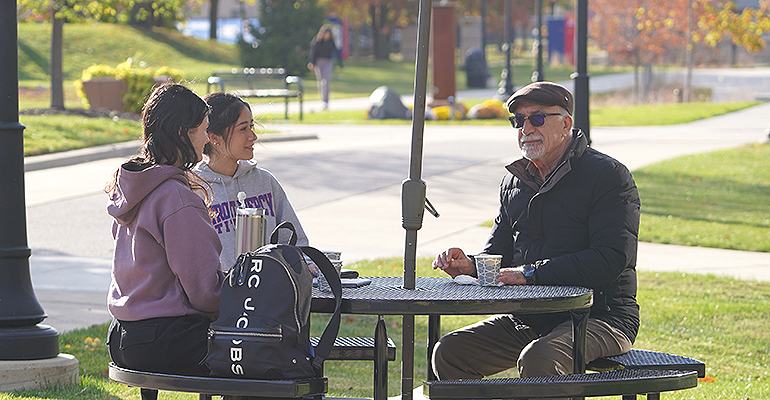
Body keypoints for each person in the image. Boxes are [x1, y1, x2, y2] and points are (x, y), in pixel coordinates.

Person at [431, 81, 641, 387]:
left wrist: (530, 274)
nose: (525, 128)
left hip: (600, 317)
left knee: (539, 358)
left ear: (566, 123)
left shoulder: (607, 176)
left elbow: (610, 259)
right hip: (530, 317)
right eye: (518, 120)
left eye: (537, 118)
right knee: (449, 352)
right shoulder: (513, 183)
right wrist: (470, 265)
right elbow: (499, 256)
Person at [106, 83, 225, 376]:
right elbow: (206, 293)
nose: (207, 141)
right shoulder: (178, 198)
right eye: (204, 130)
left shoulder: (133, 185)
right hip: (169, 337)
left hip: (122, 335)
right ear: (185, 132)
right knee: (261, 356)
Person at [193, 92, 314, 271]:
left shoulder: (265, 182)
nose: (253, 136)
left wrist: (307, 265)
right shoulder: (195, 189)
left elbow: (296, 243)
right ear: (214, 138)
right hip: (221, 296)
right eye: (243, 129)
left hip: (269, 293)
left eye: (251, 126)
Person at [307, 25, 343, 110]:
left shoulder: (331, 42)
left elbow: (336, 52)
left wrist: (340, 64)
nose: (327, 36)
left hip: (328, 62)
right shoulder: (317, 41)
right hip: (319, 62)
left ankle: (326, 101)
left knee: (325, 81)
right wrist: (312, 63)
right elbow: (313, 52)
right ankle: (322, 99)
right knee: (321, 82)